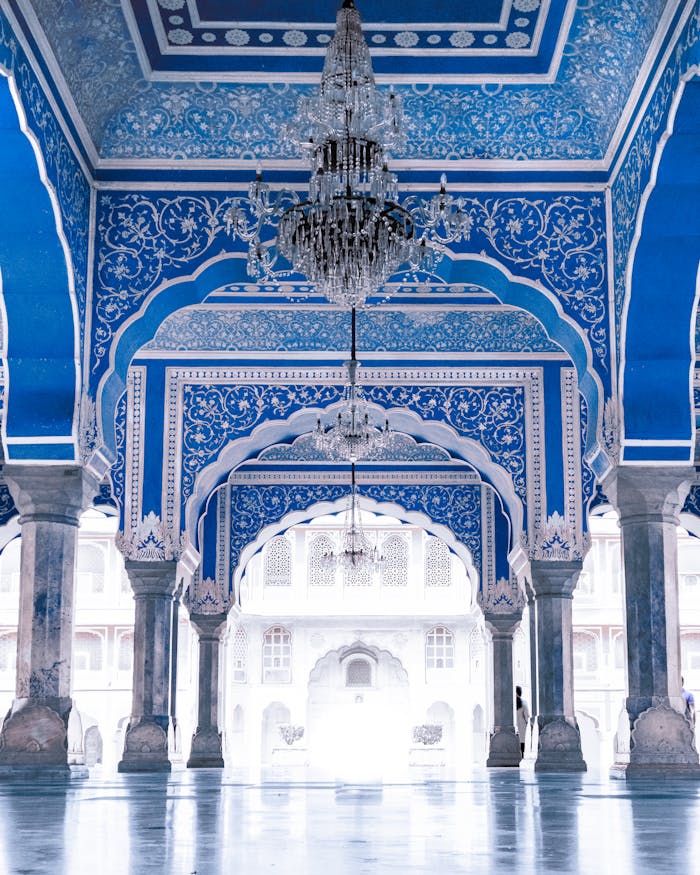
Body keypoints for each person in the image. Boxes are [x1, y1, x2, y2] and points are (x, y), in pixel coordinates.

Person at [516, 685, 530, 757]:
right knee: (522, 743)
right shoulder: (524, 703)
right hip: (522, 726)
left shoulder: (510, 704)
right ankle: (521, 757)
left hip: (514, 727)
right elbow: (527, 716)